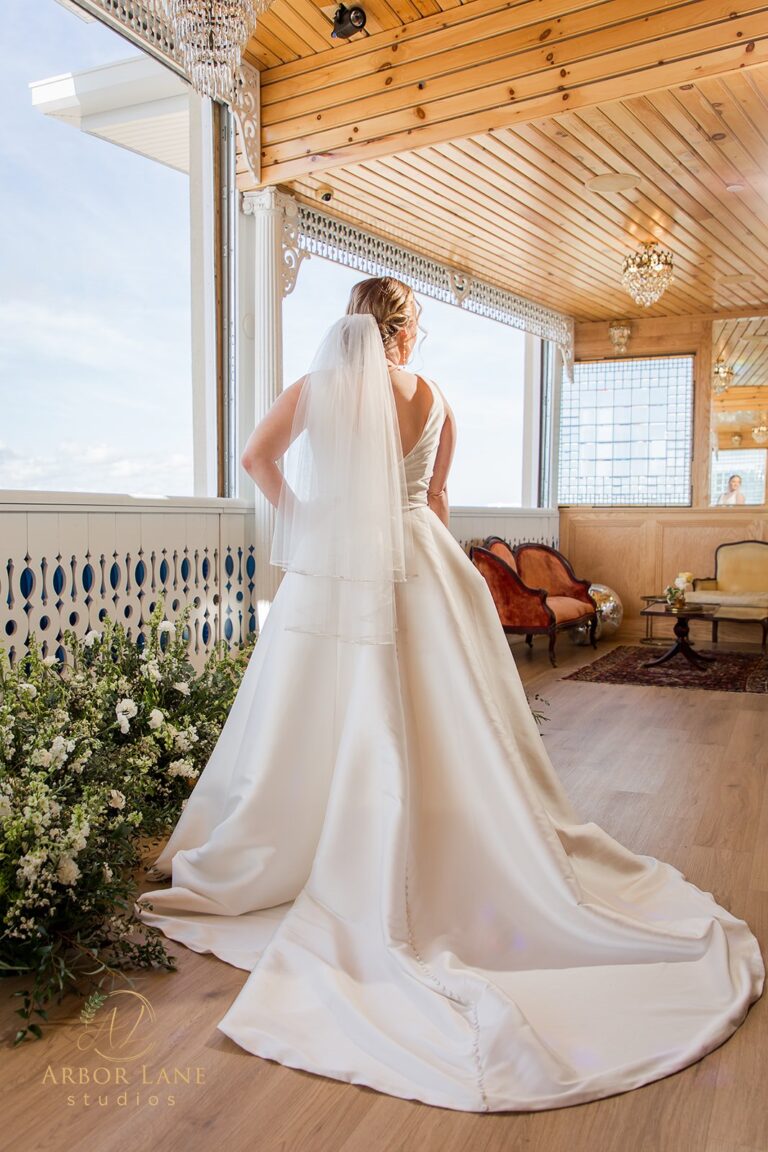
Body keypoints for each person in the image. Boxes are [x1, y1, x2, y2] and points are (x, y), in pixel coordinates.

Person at [136, 277, 764, 1113]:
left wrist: (315, 519)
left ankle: (317, 840)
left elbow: (256, 460)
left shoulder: (317, 387)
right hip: (423, 564)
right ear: (406, 332)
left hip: (339, 569)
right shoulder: (432, 397)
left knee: (319, 715)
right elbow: (433, 501)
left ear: (354, 320)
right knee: (439, 719)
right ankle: (446, 842)